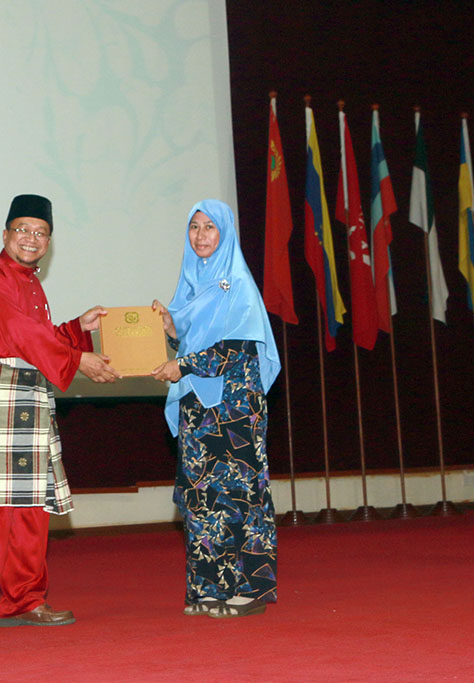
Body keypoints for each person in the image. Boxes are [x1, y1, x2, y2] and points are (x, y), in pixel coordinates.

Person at [0, 193, 120, 635]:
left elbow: (35, 337)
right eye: (23, 229)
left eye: (41, 232)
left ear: (49, 241)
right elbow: (17, 332)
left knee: (31, 505)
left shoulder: (30, 282)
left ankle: (24, 600)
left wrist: (76, 330)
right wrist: (77, 360)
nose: (31, 238)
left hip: (29, 392)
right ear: (5, 234)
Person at [151, 199, 281, 618]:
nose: (201, 235)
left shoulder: (237, 283)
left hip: (235, 408)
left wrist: (182, 364)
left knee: (239, 496)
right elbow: (192, 340)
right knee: (200, 497)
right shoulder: (192, 284)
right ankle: (208, 588)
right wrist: (171, 330)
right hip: (197, 406)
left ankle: (250, 590)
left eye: (210, 227)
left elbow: (234, 348)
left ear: (225, 234)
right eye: (194, 227)